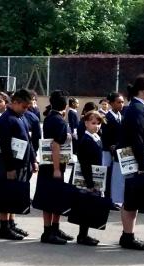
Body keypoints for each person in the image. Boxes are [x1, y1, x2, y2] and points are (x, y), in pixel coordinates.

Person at [116, 74, 144, 251]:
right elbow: (136, 138)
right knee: (131, 201)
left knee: (133, 201)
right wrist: (142, 164)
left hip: (142, 162)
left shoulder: (142, 107)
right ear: (143, 91)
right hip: (136, 163)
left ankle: (128, 235)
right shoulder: (136, 109)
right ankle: (128, 236)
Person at [0, 89, 38, 240]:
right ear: (15, 103)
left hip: (22, 162)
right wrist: (10, 168)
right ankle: (4, 227)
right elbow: (5, 146)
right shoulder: (6, 119)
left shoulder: (21, 117)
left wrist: (33, 159)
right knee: (5, 195)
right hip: (9, 164)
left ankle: (11, 223)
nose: (26, 110)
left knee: (13, 195)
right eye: (24, 106)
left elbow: (28, 140)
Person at [34, 90, 73, 245]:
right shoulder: (59, 121)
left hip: (47, 163)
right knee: (53, 197)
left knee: (53, 197)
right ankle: (48, 231)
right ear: (65, 105)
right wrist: (57, 169)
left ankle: (53, 228)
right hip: (54, 165)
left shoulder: (50, 117)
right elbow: (55, 145)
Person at [75, 110, 106, 245]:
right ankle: (82, 235)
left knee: (90, 206)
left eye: (99, 123)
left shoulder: (96, 138)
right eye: (93, 123)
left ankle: (85, 234)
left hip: (96, 177)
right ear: (86, 123)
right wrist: (90, 183)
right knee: (86, 206)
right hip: (89, 179)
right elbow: (85, 164)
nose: (97, 126)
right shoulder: (86, 140)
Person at [104, 92, 124, 209]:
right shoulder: (107, 118)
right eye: (118, 102)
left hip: (118, 150)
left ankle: (114, 199)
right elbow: (105, 136)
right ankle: (108, 199)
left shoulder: (121, 117)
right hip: (108, 151)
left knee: (115, 176)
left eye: (122, 102)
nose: (121, 104)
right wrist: (111, 146)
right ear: (111, 103)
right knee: (108, 174)